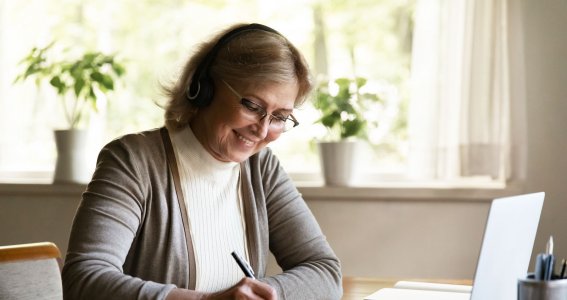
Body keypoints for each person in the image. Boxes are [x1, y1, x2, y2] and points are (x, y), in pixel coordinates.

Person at [62, 22, 343, 300]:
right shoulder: (133, 161)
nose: (261, 129)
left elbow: (324, 271)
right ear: (204, 89)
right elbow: (85, 278)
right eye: (253, 106)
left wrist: (264, 295)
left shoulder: (262, 167)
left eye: (279, 117)